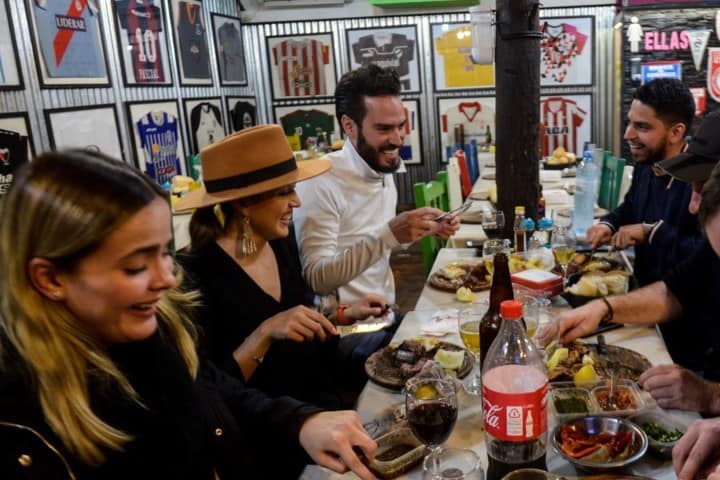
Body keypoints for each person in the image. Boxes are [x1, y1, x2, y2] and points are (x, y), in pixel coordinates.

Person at [0, 149, 377, 479]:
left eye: (165, 253)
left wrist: (301, 422)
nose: (167, 279)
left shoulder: (158, 328)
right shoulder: (24, 420)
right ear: (49, 278)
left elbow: (213, 390)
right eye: (135, 266)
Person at [175, 125, 388, 410]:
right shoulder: (194, 277)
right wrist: (264, 333)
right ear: (244, 203)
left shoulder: (279, 243)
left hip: (320, 399)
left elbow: (294, 322)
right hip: (268, 424)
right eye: (284, 192)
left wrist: (341, 315)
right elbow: (209, 392)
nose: (296, 202)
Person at [294, 64, 459, 356]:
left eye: (400, 126)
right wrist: (390, 234)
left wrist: (424, 227)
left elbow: (374, 241)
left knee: (463, 333)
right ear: (349, 126)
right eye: (383, 129)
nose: (396, 139)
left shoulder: (380, 169)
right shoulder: (321, 182)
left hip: (385, 317)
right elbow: (316, 279)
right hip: (345, 334)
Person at [585, 78, 704, 368]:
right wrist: (609, 225)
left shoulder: (702, 182)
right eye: (630, 123)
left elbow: (705, 258)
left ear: (676, 132)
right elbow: (629, 209)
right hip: (641, 304)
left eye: (642, 127)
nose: (628, 134)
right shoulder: (648, 167)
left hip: (686, 335)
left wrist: (651, 232)